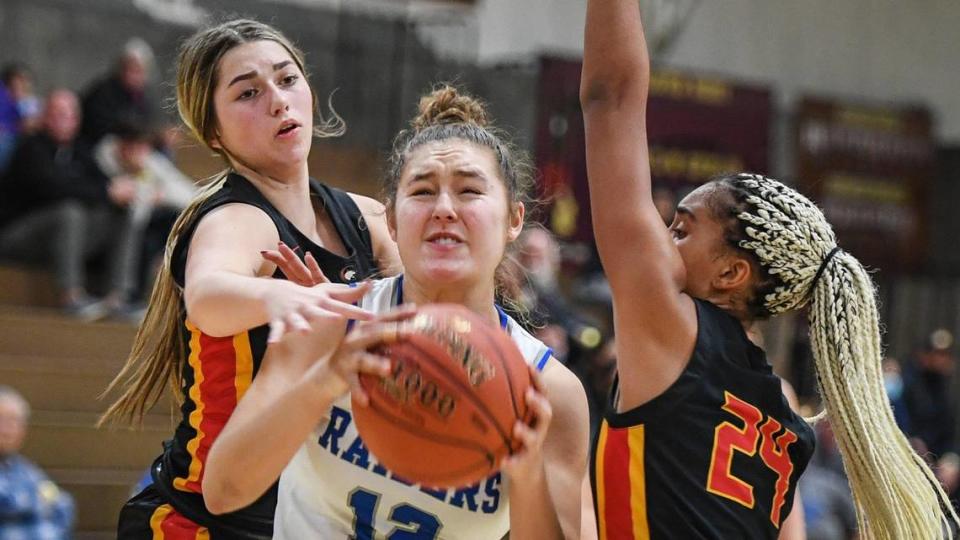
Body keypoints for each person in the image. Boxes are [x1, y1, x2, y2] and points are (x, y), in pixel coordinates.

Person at [580, 0, 958, 538]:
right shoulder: (781, 416)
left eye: (682, 230)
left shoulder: (671, 328)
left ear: (731, 274)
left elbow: (610, 98)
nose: (661, 239)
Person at [201, 85, 590, 539]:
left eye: (468, 191)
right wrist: (325, 379)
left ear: (513, 220)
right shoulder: (330, 319)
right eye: (423, 191)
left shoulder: (548, 390)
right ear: (391, 220)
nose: (444, 209)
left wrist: (526, 479)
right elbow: (223, 491)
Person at [99, 19, 401, 539]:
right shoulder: (236, 220)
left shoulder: (365, 218)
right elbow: (209, 296)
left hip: (313, 519)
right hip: (204, 522)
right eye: (248, 93)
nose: (278, 102)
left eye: (287, 80)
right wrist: (281, 297)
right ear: (213, 130)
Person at [0, 89, 137, 319]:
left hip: (63, 239)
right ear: (46, 116)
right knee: (69, 211)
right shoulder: (31, 147)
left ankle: (117, 298)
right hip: (18, 236)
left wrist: (117, 190)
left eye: (72, 114)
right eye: (60, 113)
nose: (67, 119)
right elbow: (54, 188)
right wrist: (106, 192)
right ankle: (71, 295)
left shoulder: (80, 150)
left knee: (121, 212)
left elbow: (103, 184)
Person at [0, 386, 75, 540]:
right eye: (2, 420)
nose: (7, 430)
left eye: (14, 422)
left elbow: (63, 505)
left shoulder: (26, 470)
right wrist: (36, 501)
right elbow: (8, 501)